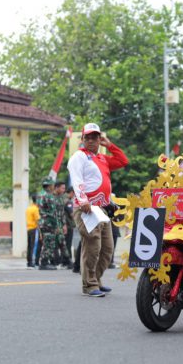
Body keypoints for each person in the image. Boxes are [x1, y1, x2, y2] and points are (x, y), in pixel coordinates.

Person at [67, 123, 128, 297]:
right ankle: (89, 284)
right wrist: (83, 200)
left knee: (108, 248)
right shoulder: (79, 156)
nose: (92, 140)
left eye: (96, 137)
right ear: (83, 139)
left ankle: (97, 279)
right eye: (89, 137)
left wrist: (109, 145)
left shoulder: (102, 158)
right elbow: (77, 179)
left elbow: (123, 161)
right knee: (93, 245)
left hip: (101, 209)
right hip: (86, 207)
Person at [26, 195, 41, 268]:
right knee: (33, 246)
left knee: (29, 246)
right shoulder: (35, 209)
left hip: (28, 228)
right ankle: (31, 262)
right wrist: (40, 231)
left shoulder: (29, 208)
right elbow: (37, 220)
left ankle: (29, 261)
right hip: (34, 229)